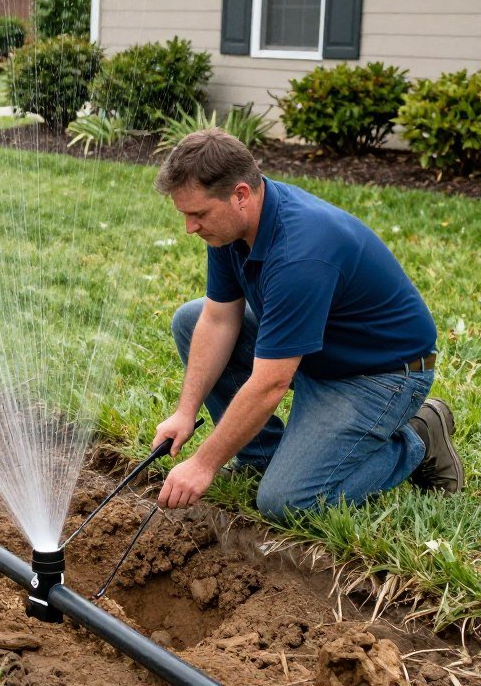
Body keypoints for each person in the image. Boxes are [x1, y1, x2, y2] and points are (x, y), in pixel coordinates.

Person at [151, 128, 462, 522]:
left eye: (198, 214)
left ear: (241, 194)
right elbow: (217, 319)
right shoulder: (232, 228)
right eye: (185, 214)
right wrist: (184, 411)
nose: (189, 228)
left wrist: (203, 463)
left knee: (287, 503)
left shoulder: (300, 253)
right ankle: (262, 457)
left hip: (378, 374)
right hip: (317, 352)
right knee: (190, 319)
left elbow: (270, 384)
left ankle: (418, 437)